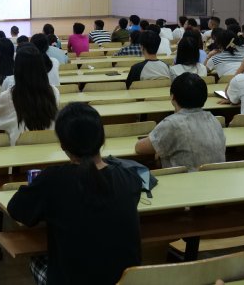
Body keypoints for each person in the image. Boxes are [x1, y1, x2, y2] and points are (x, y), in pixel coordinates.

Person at [7, 103, 142, 285]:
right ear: (102, 139)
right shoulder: (129, 176)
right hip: (125, 281)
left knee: (36, 260)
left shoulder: (52, 180)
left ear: (63, 145)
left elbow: (16, 210)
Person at [136, 73, 225, 171]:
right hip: (216, 177)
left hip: (185, 179)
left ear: (173, 97)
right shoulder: (213, 120)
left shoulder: (172, 124)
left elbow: (140, 148)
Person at [0, 45, 58, 145]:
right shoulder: (54, 91)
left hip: (19, 147)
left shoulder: (8, 96)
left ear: (17, 68)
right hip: (50, 144)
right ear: (41, 67)